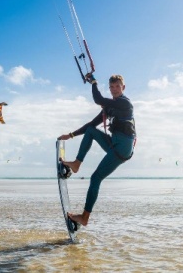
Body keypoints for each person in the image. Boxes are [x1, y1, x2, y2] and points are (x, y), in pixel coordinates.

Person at [57, 74, 136, 226]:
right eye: (111, 87)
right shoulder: (109, 108)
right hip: (114, 143)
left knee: (95, 178)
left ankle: (84, 217)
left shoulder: (125, 103)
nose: (114, 90)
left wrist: (93, 82)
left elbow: (98, 99)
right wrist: (71, 135)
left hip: (123, 146)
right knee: (91, 131)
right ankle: (76, 164)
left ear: (123, 88)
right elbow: (90, 124)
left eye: (117, 87)